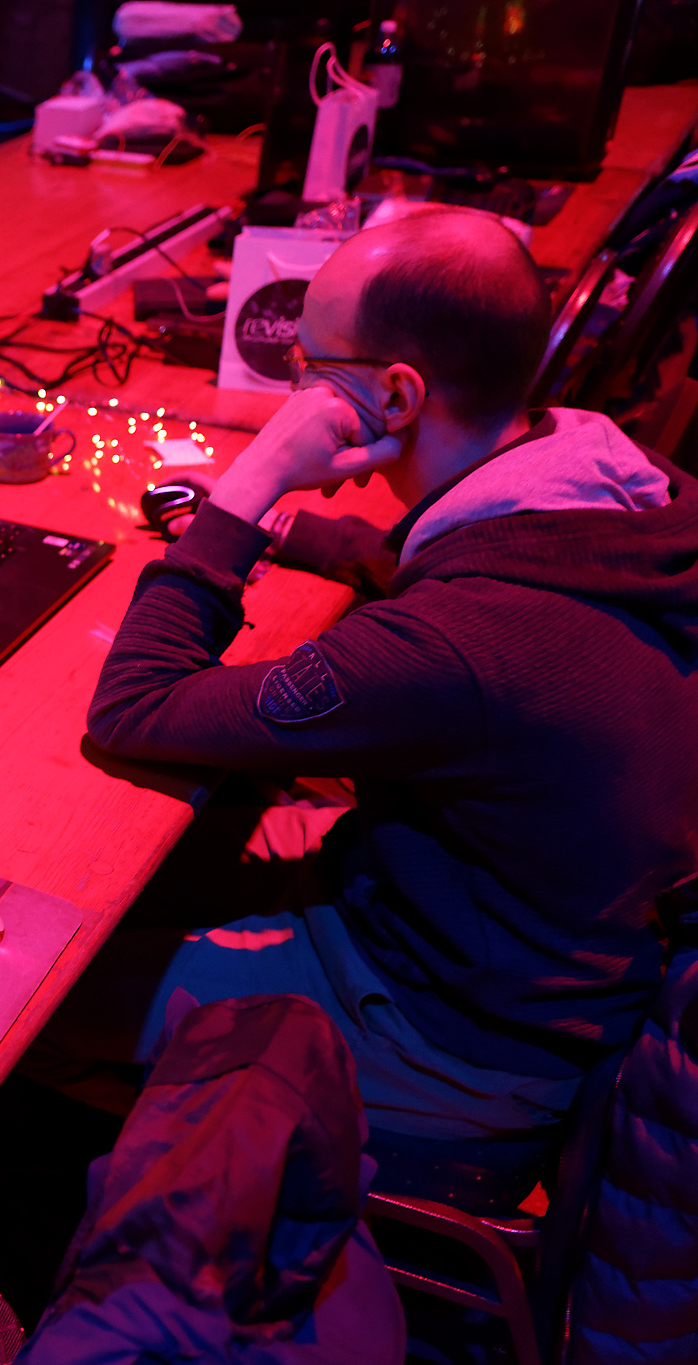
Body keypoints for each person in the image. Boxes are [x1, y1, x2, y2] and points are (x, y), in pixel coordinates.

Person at [44, 208, 698, 1149]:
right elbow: (468, 563)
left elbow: (136, 705)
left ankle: (138, 1170)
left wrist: (251, 483)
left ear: (395, 395)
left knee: (32, 999)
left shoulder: (445, 646)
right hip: (557, 962)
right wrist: (302, 533)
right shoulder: (616, 480)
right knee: (157, 865)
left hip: (456, 1037)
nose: (295, 391)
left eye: (310, 368)